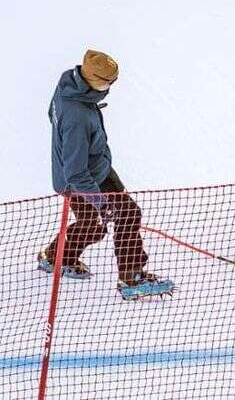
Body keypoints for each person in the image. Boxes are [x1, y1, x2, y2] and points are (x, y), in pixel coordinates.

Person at [39, 50, 174, 301]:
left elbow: (52, 115)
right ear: (93, 79)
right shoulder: (76, 117)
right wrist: (101, 203)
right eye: (108, 82)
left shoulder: (69, 85)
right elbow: (76, 171)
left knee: (109, 219)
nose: (111, 86)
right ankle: (131, 278)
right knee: (111, 219)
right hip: (80, 183)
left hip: (97, 169)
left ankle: (55, 257)